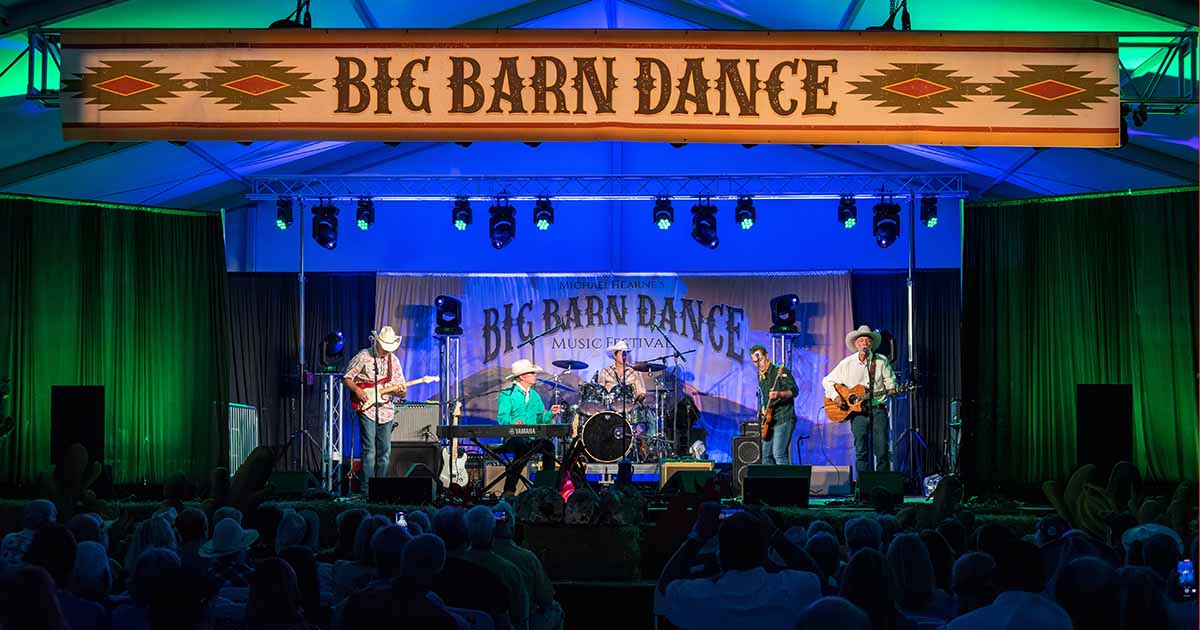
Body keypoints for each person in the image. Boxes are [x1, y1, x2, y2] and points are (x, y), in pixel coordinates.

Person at [658, 504, 821, 629]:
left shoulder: (698, 596)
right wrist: (774, 534)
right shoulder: (790, 589)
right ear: (765, 552)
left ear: (719, 555)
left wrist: (698, 535)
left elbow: (665, 585)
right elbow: (817, 576)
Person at [822, 325, 898, 474]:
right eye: (861, 340)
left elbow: (891, 383)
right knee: (861, 451)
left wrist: (893, 388)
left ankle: (882, 488)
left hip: (878, 410)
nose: (864, 343)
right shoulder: (847, 363)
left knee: (882, 450)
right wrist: (836, 397)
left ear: (871, 344)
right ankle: (864, 489)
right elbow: (827, 381)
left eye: (867, 340)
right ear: (856, 344)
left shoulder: (881, 361)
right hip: (858, 414)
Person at [343, 325, 406, 492]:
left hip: (387, 410)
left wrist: (400, 392)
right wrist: (357, 390)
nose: (386, 351)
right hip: (367, 409)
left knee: (385, 452)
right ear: (377, 342)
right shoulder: (364, 356)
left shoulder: (394, 361)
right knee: (369, 450)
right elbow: (347, 377)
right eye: (384, 348)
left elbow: (401, 390)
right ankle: (366, 490)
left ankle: (380, 489)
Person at [497, 359, 563, 494]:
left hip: (531, 439)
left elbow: (540, 419)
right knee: (521, 446)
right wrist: (513, 423)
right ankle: (509, 490)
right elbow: (502, 418)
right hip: (513, 438)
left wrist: (550, 413)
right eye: (532, 373)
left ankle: (545, 489)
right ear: (522, 376)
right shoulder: (507, 394)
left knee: (548, 446)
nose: (535, 375)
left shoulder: (535, 396)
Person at [749, 344, 798, 465]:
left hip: (783, 417)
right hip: (769, 421)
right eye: (755, 362)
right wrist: (762, 410)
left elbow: (794, 391)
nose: (758, 364)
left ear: (766, 356)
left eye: (760, 360)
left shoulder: (779, 371)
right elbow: (765, 400)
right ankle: (770, 483)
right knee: (765, 456)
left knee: (779, 453)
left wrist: (779, 394)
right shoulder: (761, 377)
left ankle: (786, 483)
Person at [597, 340, 646, 408]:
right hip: (610, 408)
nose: (624, 356)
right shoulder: (605, 371)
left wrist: (636, 402)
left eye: (626, 353)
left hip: (630, 408)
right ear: (615, 355)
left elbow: (642, 392)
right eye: (622, 353)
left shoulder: (635, 372)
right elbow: (599, 391)